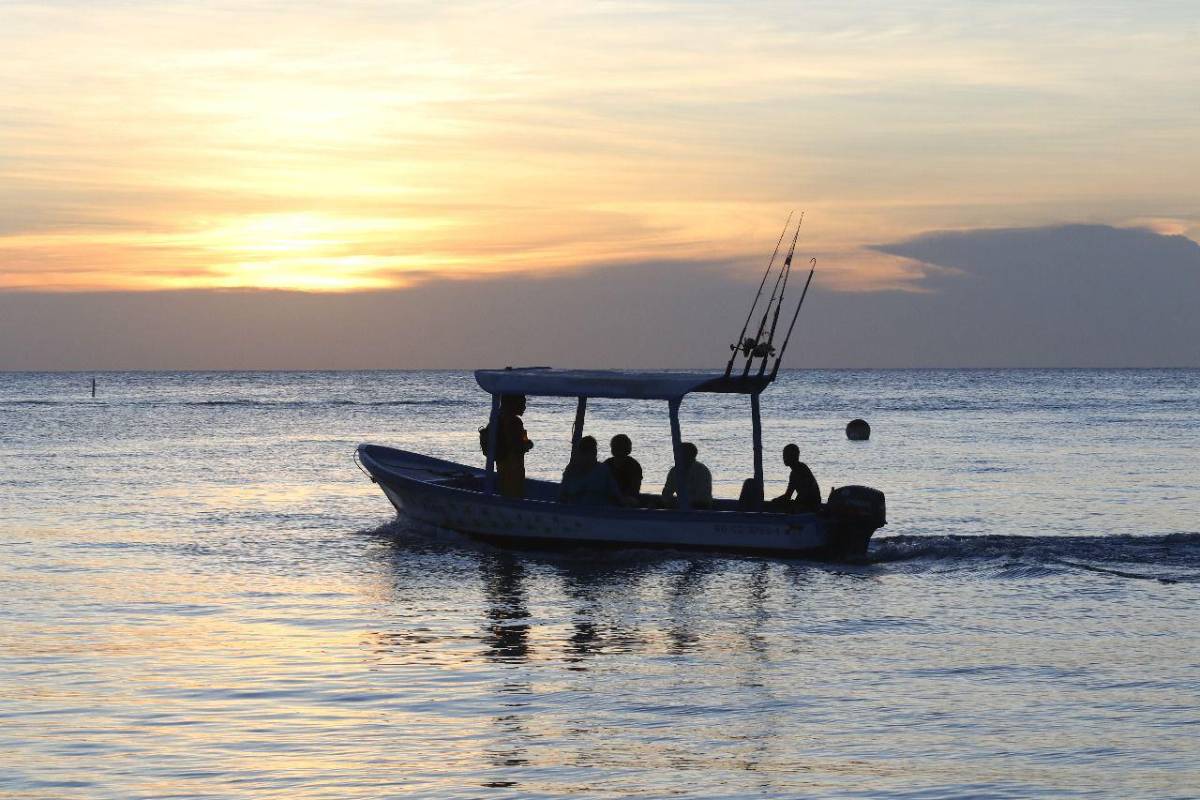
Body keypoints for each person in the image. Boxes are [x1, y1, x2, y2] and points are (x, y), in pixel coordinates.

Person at [559, 436, 622, 506]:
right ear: (580, 453)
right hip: (575, 511)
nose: (590, 456)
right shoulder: (571, 470)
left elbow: (616, 495)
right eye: (585, 452)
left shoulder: (603, 470)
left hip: (600, 511)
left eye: (593, 452)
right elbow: (562, 495)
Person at [495, 394, 533, 499]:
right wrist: (528, 445)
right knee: (514, 494)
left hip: (503, 465)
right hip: (513, 467)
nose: (524, 407)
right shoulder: (515, 422)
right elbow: (516, 446)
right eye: (522, 403)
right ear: (513, 404)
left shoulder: (499, 418)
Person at [768, 443, 821, 512]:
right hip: (806, 503)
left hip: (810, 506)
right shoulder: (796, 471)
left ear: (793, 456)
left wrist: (794, 506)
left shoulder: (800, 470)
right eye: (784, 455)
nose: (784, 457)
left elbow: (805, 493)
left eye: (786, 455)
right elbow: (788, 495)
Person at [661, 441, 713, 509]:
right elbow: (667, 492)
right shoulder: (674, 471)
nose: (676, 456)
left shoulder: (701, 471)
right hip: (681, 505)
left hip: (701, 507)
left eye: (681, 454)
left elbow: (702, 496)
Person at [604, 433, 643, 503]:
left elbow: (634, 489)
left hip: (627, 500)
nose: (618, 450)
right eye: (615, 447)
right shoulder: (607, 464)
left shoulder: (633, 466)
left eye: (620, 447)